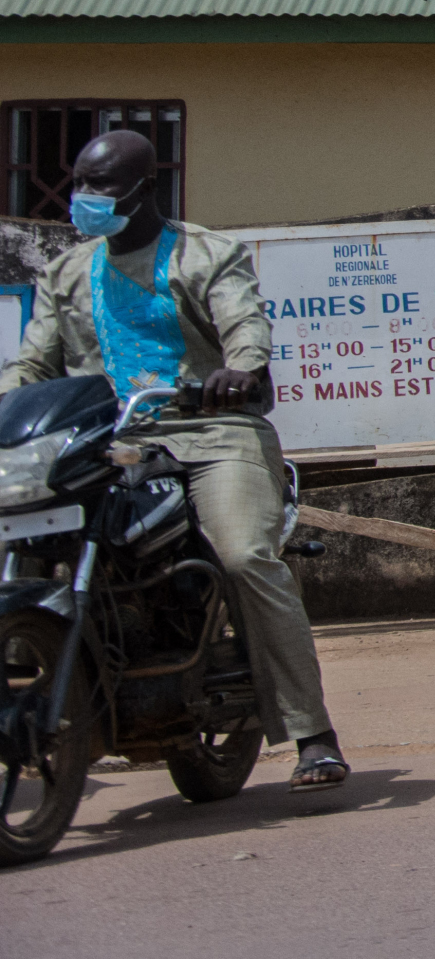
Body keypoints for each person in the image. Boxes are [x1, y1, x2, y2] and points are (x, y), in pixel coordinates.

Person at [0, 132, 349, 788]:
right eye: (80, 185)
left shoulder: (207, 255)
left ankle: (312, 731)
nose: (86, 200)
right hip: (109, 444)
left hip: (213, 432)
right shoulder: (67, 272)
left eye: (102, 188)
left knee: (246, 555)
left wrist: (240, 369)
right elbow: (34, 362)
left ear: (145, 189)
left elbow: (245, 326)